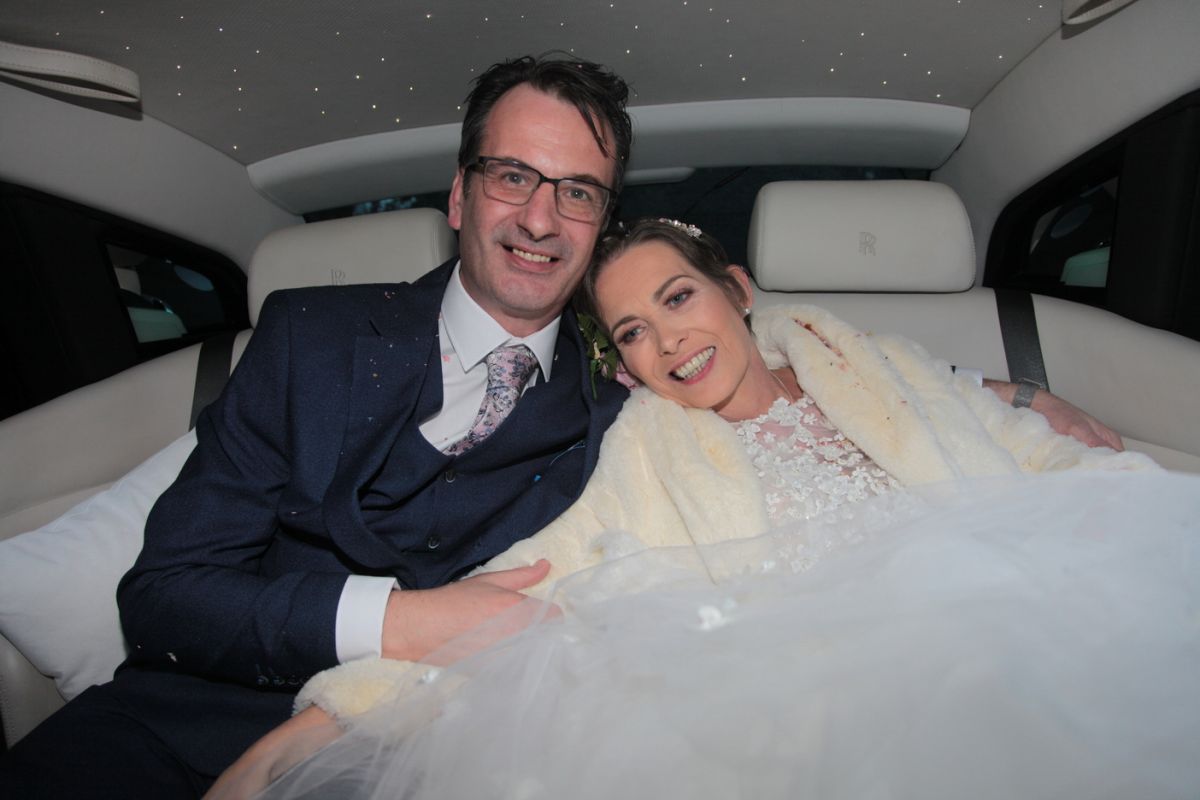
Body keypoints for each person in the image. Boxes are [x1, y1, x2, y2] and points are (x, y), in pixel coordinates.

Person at [208, 220, 1182, 799]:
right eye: (633, 330)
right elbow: (518, 600)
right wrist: (302, 737)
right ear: (621, 363)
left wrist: (1059, 426)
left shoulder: (870, 365)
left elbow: (1030, 454)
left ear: (738, 289)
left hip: (1025, 622)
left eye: (679, 298)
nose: (668, 341)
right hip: (848, 706)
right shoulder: (646, 458)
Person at [0, 53, 632, 797]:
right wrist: (397, 623)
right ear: (461, 195)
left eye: (578, 193)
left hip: (422, 766)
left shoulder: (620, 409)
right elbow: (164, 598)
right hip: (173, 734)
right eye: (513, 176)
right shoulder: (311, 338)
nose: (540, 218)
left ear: (600, 228)